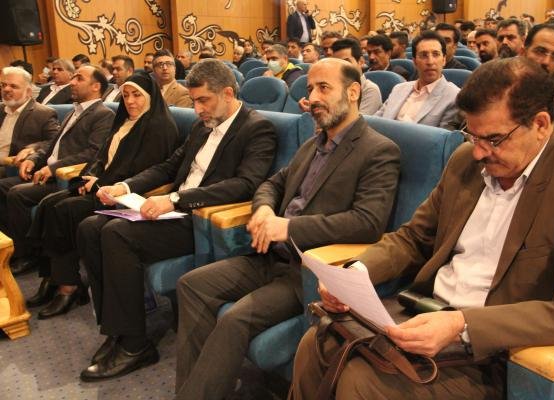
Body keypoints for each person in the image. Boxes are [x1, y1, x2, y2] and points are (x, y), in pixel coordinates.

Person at [292, 56, 554, 400]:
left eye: (494, 139)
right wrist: (355, 274)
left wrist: (462, 324)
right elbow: (413, 238)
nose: (479, 152)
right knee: (317, 344)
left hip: (494, 351)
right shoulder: (466, 161)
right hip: (425, 314)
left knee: (362, 382)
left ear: (540, 124)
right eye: (473, 135)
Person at [174, 57, 401, 400]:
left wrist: (288, 227)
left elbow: (367, 222)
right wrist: (265, 210)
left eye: (324, 88)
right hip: (269, 255)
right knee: (191, 285)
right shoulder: (314, 144)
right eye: (310, 88)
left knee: (234, 319)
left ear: (353, 92)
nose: (313, 97)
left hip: (306, 271)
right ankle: (194, 390)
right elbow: (271, 184)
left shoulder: (379, 150)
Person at [76, 59, 277, 381]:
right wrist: (125, 186)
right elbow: (169, 167)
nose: (197, 109)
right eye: (194, 101)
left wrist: (174, 199)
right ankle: (117, 329)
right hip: (173, 209)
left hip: (200, 220)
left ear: (228, 93)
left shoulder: (257, 128)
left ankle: (135, 345)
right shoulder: (202, 126)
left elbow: (246, 184)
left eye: (204, 101)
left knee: (116, 234)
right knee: (89, 228)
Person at [26, 73, 178, 319]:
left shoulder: (159, 126)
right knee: (49, 203)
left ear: (151, 97)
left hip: (125, 194)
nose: (130, 101)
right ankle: (53, 277)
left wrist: (101, 183)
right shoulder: (124, 120)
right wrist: (91, 176)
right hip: (104, 185)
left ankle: (68, 286)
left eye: (137, 95)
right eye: (126, 95)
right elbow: (101, 157)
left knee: (64, 210)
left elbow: (143, 169)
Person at [0, 65, 114, 275]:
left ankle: (27, 255)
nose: (72, 82)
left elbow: (93, 153)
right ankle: (12, 246)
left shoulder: (103, 114)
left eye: (79, 78)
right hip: (47, 172)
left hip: (65, 179)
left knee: (16, 193)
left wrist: (53, 168)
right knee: (2, 187)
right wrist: (34, 159)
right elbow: (51, 145)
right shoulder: (74, 111)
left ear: (96, 86)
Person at [375, 31, 460, 130]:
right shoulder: (399, 88)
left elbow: (443, 138)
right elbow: (375, 122)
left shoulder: (454, 97)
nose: (430, 62)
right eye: (424, 55)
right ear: (415, 62)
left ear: (444, 60)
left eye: (436, 54)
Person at [0, 67, 60, 172]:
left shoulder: (43, 113)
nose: (6, 89)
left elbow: (55, 141)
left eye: (13, 86)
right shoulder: (1, 109)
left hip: (12, 169)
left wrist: (33, 148)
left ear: (28, 91)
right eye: (3, 85)